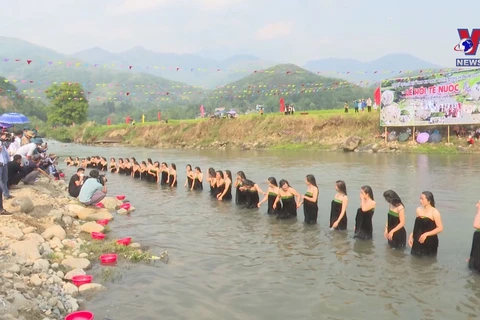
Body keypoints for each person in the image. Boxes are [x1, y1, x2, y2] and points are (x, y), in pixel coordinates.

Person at [0, 132, 12, 199]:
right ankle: (4, 193)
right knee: (0, 180)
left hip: (4, 162)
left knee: (5, 179)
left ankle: (6, 194)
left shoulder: (3, 143)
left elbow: (10, 141)